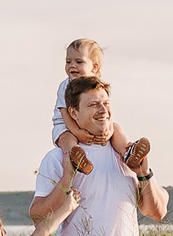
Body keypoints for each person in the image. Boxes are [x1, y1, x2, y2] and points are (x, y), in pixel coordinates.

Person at [31, 76, 167, 236]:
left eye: (106, 103)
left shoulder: (126, 154)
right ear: (74, 113)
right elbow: (38, 217)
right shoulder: (57, 159)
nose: (103, 110)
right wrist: (67, 177)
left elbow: (157, 212)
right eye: (94, 104)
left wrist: (143, 175)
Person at [50, 38, 151, 175]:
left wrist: (108, 130)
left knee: (116, 128)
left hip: (91, 123)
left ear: (94, 67)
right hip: (66, 125)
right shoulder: (65, 86)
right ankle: (76, 158)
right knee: (67, 138)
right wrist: (77, 132)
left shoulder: (98, 85)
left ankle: (128, 153)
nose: (72, 66)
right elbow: (64, 113)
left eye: (79, 62)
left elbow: (105, 110)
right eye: (68, 62)